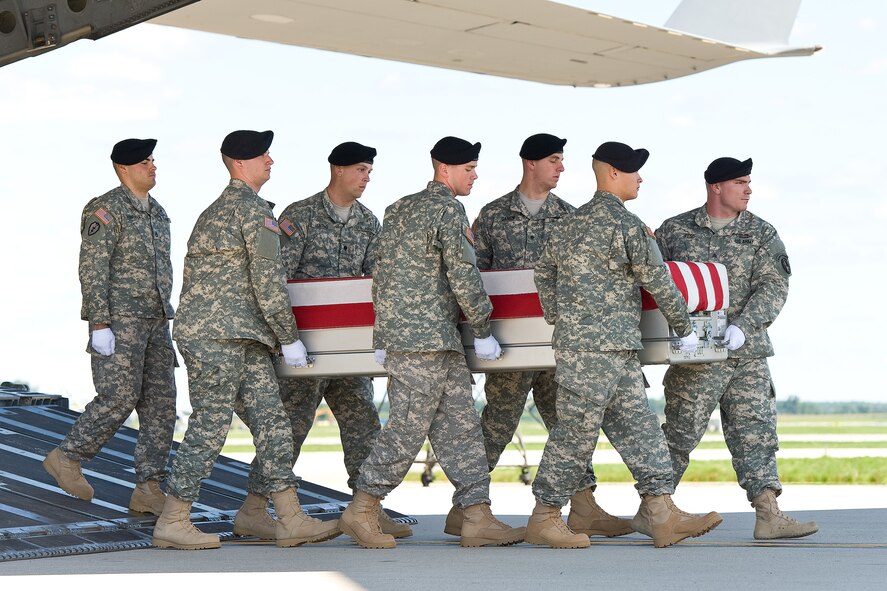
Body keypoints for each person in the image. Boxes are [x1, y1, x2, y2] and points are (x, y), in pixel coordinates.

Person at [526, 141, 722, 549]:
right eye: (633, 170)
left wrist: (559, 317)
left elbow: (543, 274)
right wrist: (683, 326)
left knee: (640, 429)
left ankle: (660, 511)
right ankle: (544, 515)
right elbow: (657, 280)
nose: (640, 178)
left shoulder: (566, 225)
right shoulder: (626, 225)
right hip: (596, 352)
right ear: (612, 173)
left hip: (604, 349)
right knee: (576, 434)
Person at [151, 130, 340, 550]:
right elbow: (268, 281)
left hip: (240, 336)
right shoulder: (253, 213)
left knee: (275, 424)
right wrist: (289, 338)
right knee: (210, 426)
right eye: (261, 155)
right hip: (221, 337)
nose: (270, 160)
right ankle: (173, 518)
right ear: (239, 163)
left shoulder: (215, 212)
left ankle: (285, 517)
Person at [339, 136, 525, 549]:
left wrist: (384, 333)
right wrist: (482, 328)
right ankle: (363, 507)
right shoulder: (447, 209)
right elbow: (463, 274)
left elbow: (381, 274)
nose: (475, 176)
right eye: (470, 169)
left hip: (424, 339)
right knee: (407, 427)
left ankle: (476, 515)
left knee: (459, 426)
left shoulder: (398, 208)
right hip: (425, 340)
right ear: (446, 170)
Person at [461, 132, 631, 539]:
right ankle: (464, 507)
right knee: (497, 424)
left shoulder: (571, 217)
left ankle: (585, 507)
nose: (561, 167)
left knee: (570, 424)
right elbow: (475, 276)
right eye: (554, 159)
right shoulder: (492, 215)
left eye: (562, 159)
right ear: (531, 163)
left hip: (560, 342)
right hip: (510, 345)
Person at [655, 156, 817, 540]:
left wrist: (745, 326)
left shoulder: (760, 232)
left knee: (756, 433)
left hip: (747, 354)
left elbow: (774, 285)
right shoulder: (675, 231)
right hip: (696, 356)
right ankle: (656, 509)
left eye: (748, 182)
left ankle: (769, 516)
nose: (749, 189)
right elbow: (652, 282)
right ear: (716, 186)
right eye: (740, 182)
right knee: (678, 436)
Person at [275, 141, 410, 538]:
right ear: (338, 170)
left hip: (350, 351)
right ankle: (254, 506)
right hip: (306, 348)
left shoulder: (369, 222)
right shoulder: (299, 216)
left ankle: (367, 512)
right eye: (361, 170)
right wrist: (287, 340)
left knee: (363, 426)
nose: (367, 178)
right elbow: (279, 280)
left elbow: (376, 285)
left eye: (369, 171)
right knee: (290, 430)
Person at [43, 138, 176, 516]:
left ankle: (149, 487)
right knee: (118, 398)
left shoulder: (158, 212)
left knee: (162, 406)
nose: (153, 166)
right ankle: (67, 456)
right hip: (120, 320)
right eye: (145, 162)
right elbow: (93, 268)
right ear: (123, 168)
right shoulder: (105, 209)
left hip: (155, 321)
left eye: (154, 160)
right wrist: (98, 323)